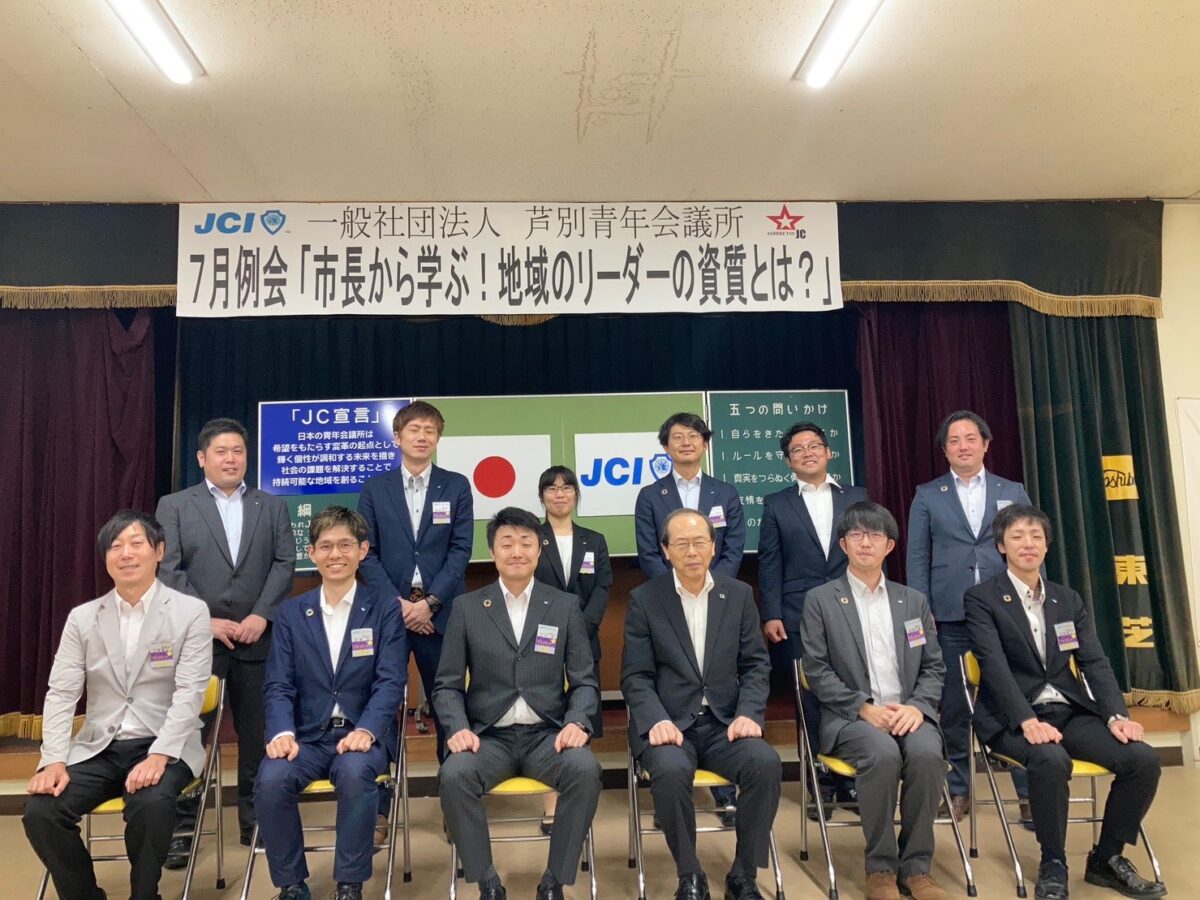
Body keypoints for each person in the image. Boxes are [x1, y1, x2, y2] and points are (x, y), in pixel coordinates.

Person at [966, 505, 1165, 900]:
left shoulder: (1066, 599)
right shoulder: (982, 598)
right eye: (1017, 536)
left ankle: (1106, 859)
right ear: (1001, 546)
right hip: (1010, 717)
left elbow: (1094, 661)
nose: (1028, 544)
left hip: (1068, 711)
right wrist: (1026, 720)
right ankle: (1053, 861)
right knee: (1050, 759)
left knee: (1142, 759)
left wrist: (1116, 715)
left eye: (1036, 536)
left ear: (1046, 546)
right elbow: (994, 666)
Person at [24, 511, 212, 900]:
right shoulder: (83, 618)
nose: (125, 554)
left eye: (136, 543)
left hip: (165, 744)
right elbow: (61, 693)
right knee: (41, 812)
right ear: (106, 558)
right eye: (115, 546)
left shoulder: (190, 612)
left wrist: (159, 755)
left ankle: (145, 895)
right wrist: (53, 759)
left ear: (158, 551)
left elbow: (190, 692)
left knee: (151, 803)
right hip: (100, 747)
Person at [434, 507, 602, 900]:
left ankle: (555, 879)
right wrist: (458, 728)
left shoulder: (563, 605)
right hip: (488, 738)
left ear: (539, 551)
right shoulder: (467, 607)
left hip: (548, 736)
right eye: (506, 543)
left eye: (526, 543)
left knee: (585, 768)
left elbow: (584, 681)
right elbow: (446, 685)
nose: (517, 552)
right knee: (454, 775)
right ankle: (487, 881)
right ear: (492, 553)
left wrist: (577, 721)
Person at [622, 508, 781, 900]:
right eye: (681, 544)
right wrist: (656, 720)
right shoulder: (645, 599)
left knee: (765, 763)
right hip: (671, 725)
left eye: (699, 542)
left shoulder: (738, 594)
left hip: (725, 724)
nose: (691, 551)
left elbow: (756, 665)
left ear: (713, 546)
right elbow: (635, 676)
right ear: (665, 550)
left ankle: (743, 874)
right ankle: (689, 874)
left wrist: (748, 713)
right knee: (670, 771)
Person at [156, 417, 294, 863]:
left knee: (257, 735)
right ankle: (182, 825)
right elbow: (168, 569)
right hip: (199, 641)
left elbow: (284, 563)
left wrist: (261, 614)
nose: (231, 459)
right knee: (188, 732)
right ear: (202, 458)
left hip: (257, 639)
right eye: (221, 451)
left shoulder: (271, 506)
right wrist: (205, 620)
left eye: (238, 451)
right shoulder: (175, 506)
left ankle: (255, 820)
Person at [254, 506, 407, 900]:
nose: (335, 554)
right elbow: (279, 684)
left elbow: (391, 681)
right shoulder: (291, 613)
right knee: (270, 781)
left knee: (355, 776)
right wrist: (282, 733)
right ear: (312, 553)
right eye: (325, 546)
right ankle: (292, 885)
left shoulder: (384, 608)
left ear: (362, 550)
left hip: (361, 734)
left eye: (345, 545)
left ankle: (349, 884)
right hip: (306, 737)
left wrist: (368, 730)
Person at [801, 502, 949, 900]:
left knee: (927, 755)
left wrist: (917, 706)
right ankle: (881, 867)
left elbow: (934, 666)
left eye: (875, 535)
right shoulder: (821, 600)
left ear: (890, 545)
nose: (865, 543)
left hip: (909, 713)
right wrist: (862, 708)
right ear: (843, 545)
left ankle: (917, 868)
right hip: (852, 717)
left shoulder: (912, 601)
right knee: (882, 754)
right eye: (856, 535)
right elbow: (816, 670)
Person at [906, 409, 1031, 821]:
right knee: (955, 707)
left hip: (1005, 611)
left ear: (986, 444)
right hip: (950, 615)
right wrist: (922, 612)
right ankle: (957, 790)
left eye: (970, 438)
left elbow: (1031, 547)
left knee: (1016, 698)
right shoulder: (928, 494)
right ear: (944, 450)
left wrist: (1036, 600)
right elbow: (918, 557)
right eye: (954, 441)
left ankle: (1028, 791)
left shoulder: (1011, 490)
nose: (963, 446)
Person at [634, 412, 745, 814]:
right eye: (677, 437)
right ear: (665, 447)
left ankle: (725, 794)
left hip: (718, 599)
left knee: (718, 680)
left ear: (705, 443)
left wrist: (713, 589)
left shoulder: (724, 492)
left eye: (694, 436)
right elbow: (650, 551)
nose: (686, 443)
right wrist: (675, 589)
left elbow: (732, 548)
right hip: (668, 602)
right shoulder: (651, 495)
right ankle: (669, 795)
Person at [759, 421, 867, 811]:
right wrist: (772, 613)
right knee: (810, 700)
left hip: (852, 608)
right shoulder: (777, 503)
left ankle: (850, 778)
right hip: (797, 612)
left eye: (814, 446)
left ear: (828, 452)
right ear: (788, 461)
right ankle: (818, 780)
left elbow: (870, 552)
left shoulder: (857, 497)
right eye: (798, 449)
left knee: (852, 692)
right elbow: (770, 562)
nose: (807, 453)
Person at [358, 400, 473, 762]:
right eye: (414, 430)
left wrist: (430, 603)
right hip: (389, 613)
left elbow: (461, 549)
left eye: (430, 431)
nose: (422, 437)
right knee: (382, 700)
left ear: (438, 438)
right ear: (397, 437)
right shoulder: (375, 488)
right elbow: (367, 552)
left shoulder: (456, 486)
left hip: (440, 616)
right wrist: (400, 606)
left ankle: (453, 781)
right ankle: (381, 784)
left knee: (448, 704)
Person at [534, 465, 614, 833]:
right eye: (551, 488)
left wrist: (581, 629)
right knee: (548, 719)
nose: (559, 494)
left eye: (567, 487)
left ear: (576, 494)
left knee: (582, 718)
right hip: (541, 640)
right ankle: (552, 806)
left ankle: (580, 800)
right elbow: (527, 586)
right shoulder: (532, 538)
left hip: (585, 638)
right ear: (542, 497)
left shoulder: (593, 540)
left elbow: (602, 588)